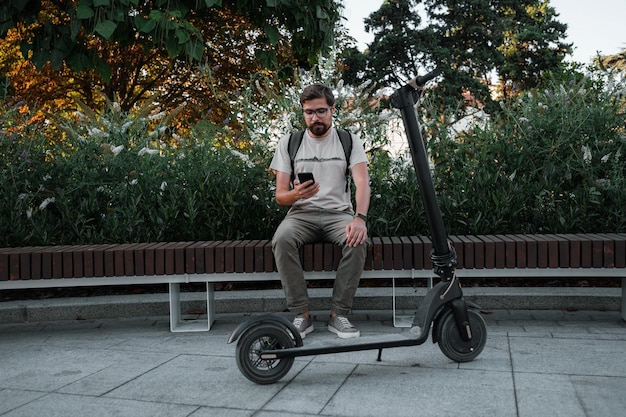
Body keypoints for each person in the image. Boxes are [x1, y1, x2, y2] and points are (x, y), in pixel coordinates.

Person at [270, 84, 371, 339]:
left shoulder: (348, 140)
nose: (315, 117)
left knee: (357, 240)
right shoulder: (290, 142)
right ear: (303, 113)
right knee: (281, 239)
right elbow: (280, 195)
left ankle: (340, 315)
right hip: (301, 215)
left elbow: (362, 183)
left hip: (339, 215)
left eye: (321, 111)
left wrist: (359, 218)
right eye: (309, 112)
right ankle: (302, 315)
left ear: (332, 110)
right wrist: (297, 195)